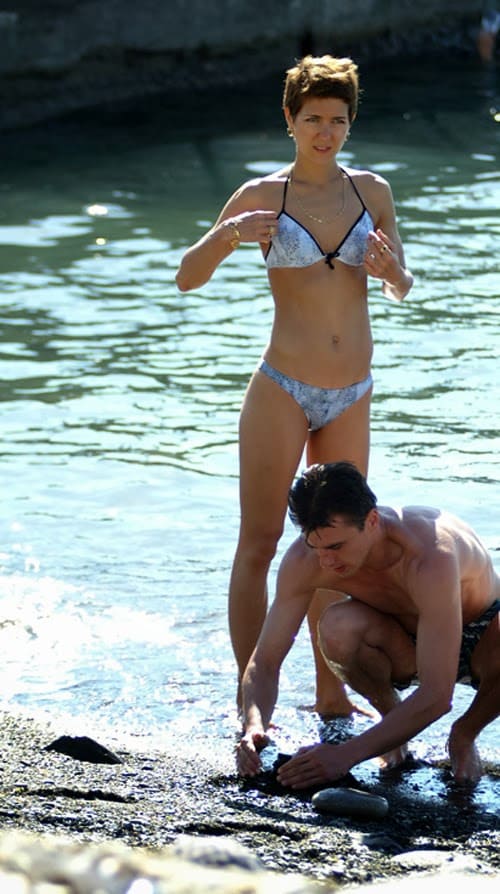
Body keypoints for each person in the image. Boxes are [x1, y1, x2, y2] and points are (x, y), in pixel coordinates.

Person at [175, 56, 414, 714]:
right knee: (259, 542)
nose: (325, 133)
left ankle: (331, 696)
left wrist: (392, 273)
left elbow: (401, 285)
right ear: (290, 119)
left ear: (350, 122)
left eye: (337, 120)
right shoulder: (262, 195)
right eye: (313, 119)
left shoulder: (373, 192)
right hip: (282, 387)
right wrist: (228, 236)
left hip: (352, 393)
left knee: (337, 549)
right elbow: (187, 277)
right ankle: (251, 696)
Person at [237, 462, 500, 786]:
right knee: (337, 627)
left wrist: (344, 755)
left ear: (372, 521)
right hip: (402, 644)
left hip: (482, 640)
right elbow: (264, 662)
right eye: (314, 546)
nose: (326, 561)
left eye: (336, 546)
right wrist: (254, 724)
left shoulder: (430, 557)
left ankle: (465, 733)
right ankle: (391, 718)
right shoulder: (306, 561)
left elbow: (437, 695)